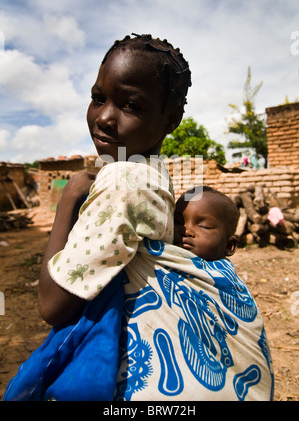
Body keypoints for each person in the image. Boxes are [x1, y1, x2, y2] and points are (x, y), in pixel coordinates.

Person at [4, 34, 273, 402]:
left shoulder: (123, 179)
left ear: (171, 119)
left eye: (130, 105)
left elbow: (52, 306)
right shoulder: (156, 173)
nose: (104, 117)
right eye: (98, 98)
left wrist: (67, 201)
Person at [173, 185, 239, 261]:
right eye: (177, 222)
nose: (187, 231)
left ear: (229, 246)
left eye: (204, 226)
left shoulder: (220, 272)